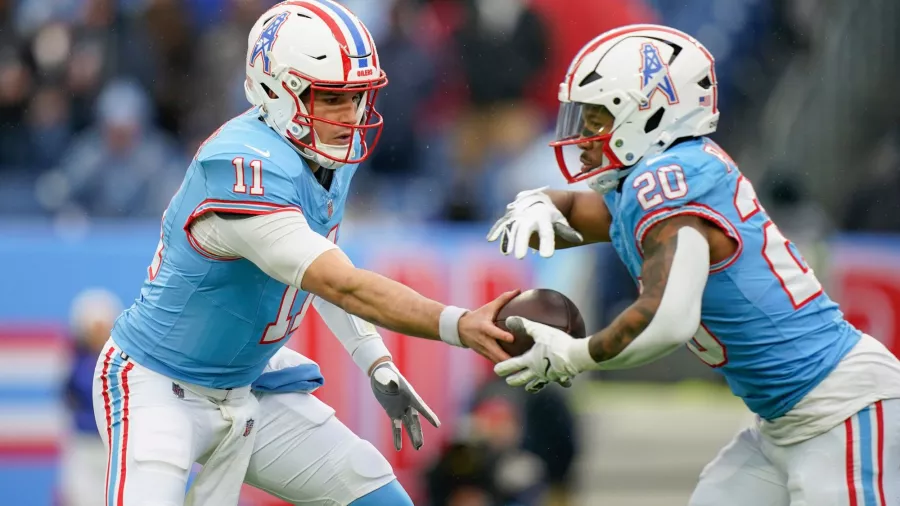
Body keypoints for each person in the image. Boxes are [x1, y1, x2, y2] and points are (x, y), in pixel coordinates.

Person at [91, 2, 516, 505]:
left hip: (246, 385)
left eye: (359, 97)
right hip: (157, 387)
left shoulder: (319, 153)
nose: (350, 116)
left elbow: (318, 268)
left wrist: (375, 359)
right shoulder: (241, 167)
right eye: (332, 98)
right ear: (276, 91)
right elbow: (340, 282)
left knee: (375, 491)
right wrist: (456, 323)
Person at [488, 24, 900, 504]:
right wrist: (543, 200)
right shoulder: (653, 182)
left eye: (598, 119)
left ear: (650, 113)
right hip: (782, 424)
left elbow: (668, 320)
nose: (582, 137)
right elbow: (596, 216)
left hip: (841, 409)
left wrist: (574, 355)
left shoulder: (669, 185)